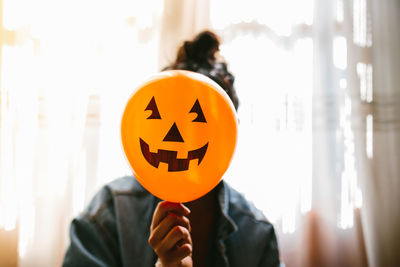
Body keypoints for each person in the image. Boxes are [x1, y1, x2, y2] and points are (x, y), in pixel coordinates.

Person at [63, 30, 281, 267]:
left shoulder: (257, 234)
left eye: (198, 119)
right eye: (159, 115)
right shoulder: (109, 213)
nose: (176, 137)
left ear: (231, 132)